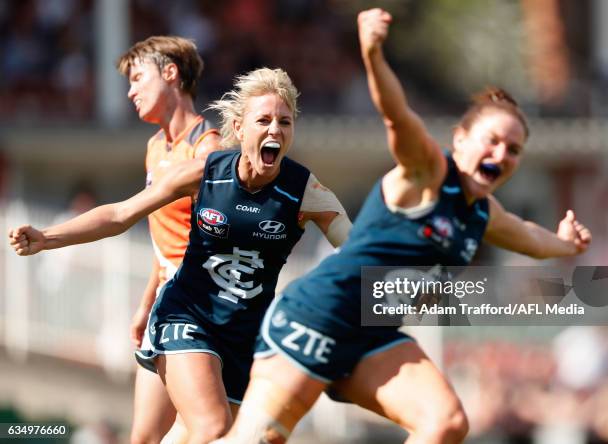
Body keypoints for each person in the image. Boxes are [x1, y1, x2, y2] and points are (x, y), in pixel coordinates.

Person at [212, 8, 592, 444]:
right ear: (461, 140)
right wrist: (372, 53)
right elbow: (396, 114)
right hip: (317, 316)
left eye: (514, 150)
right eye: (493, 140)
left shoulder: (483, 213)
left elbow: (530, 238)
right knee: (257, 440)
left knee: (445, 423)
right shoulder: (427, 172)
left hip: (373, 336)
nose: (502, 155)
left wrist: (565, 245)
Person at [8, 67, 351, 444]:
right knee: (212, 429)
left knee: (197, 436)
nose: (275, 130)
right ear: (238, 127)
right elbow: (121, 214)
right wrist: (47, 236)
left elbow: (357, 251)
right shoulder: (205, 173)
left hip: (243, 336)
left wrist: (419, 298)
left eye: (284, 122)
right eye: (264, 120)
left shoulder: (305, 191)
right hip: (186, 315)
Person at [116, 36, 222, 444]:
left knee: (204, 431)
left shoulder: (207, 148)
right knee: (144, 437)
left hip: (198, 308)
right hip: (167, 304)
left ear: (171, 74)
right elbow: (164, 244)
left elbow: (215, 239)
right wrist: (145, 306)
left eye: (138, 77)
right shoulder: (155, 147)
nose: (130, 90)